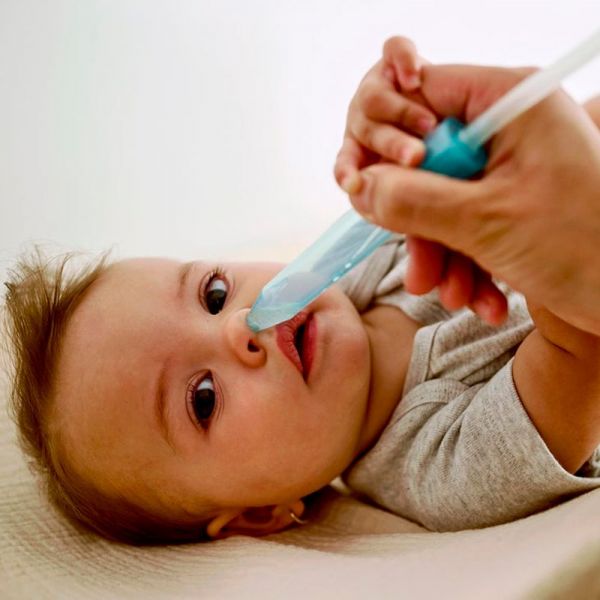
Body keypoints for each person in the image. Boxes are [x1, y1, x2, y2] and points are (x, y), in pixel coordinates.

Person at [334, 36, 600, 336]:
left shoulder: (357, 267)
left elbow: (575, 146)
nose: (268, 331)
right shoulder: (440, 385)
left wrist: (412, 105)